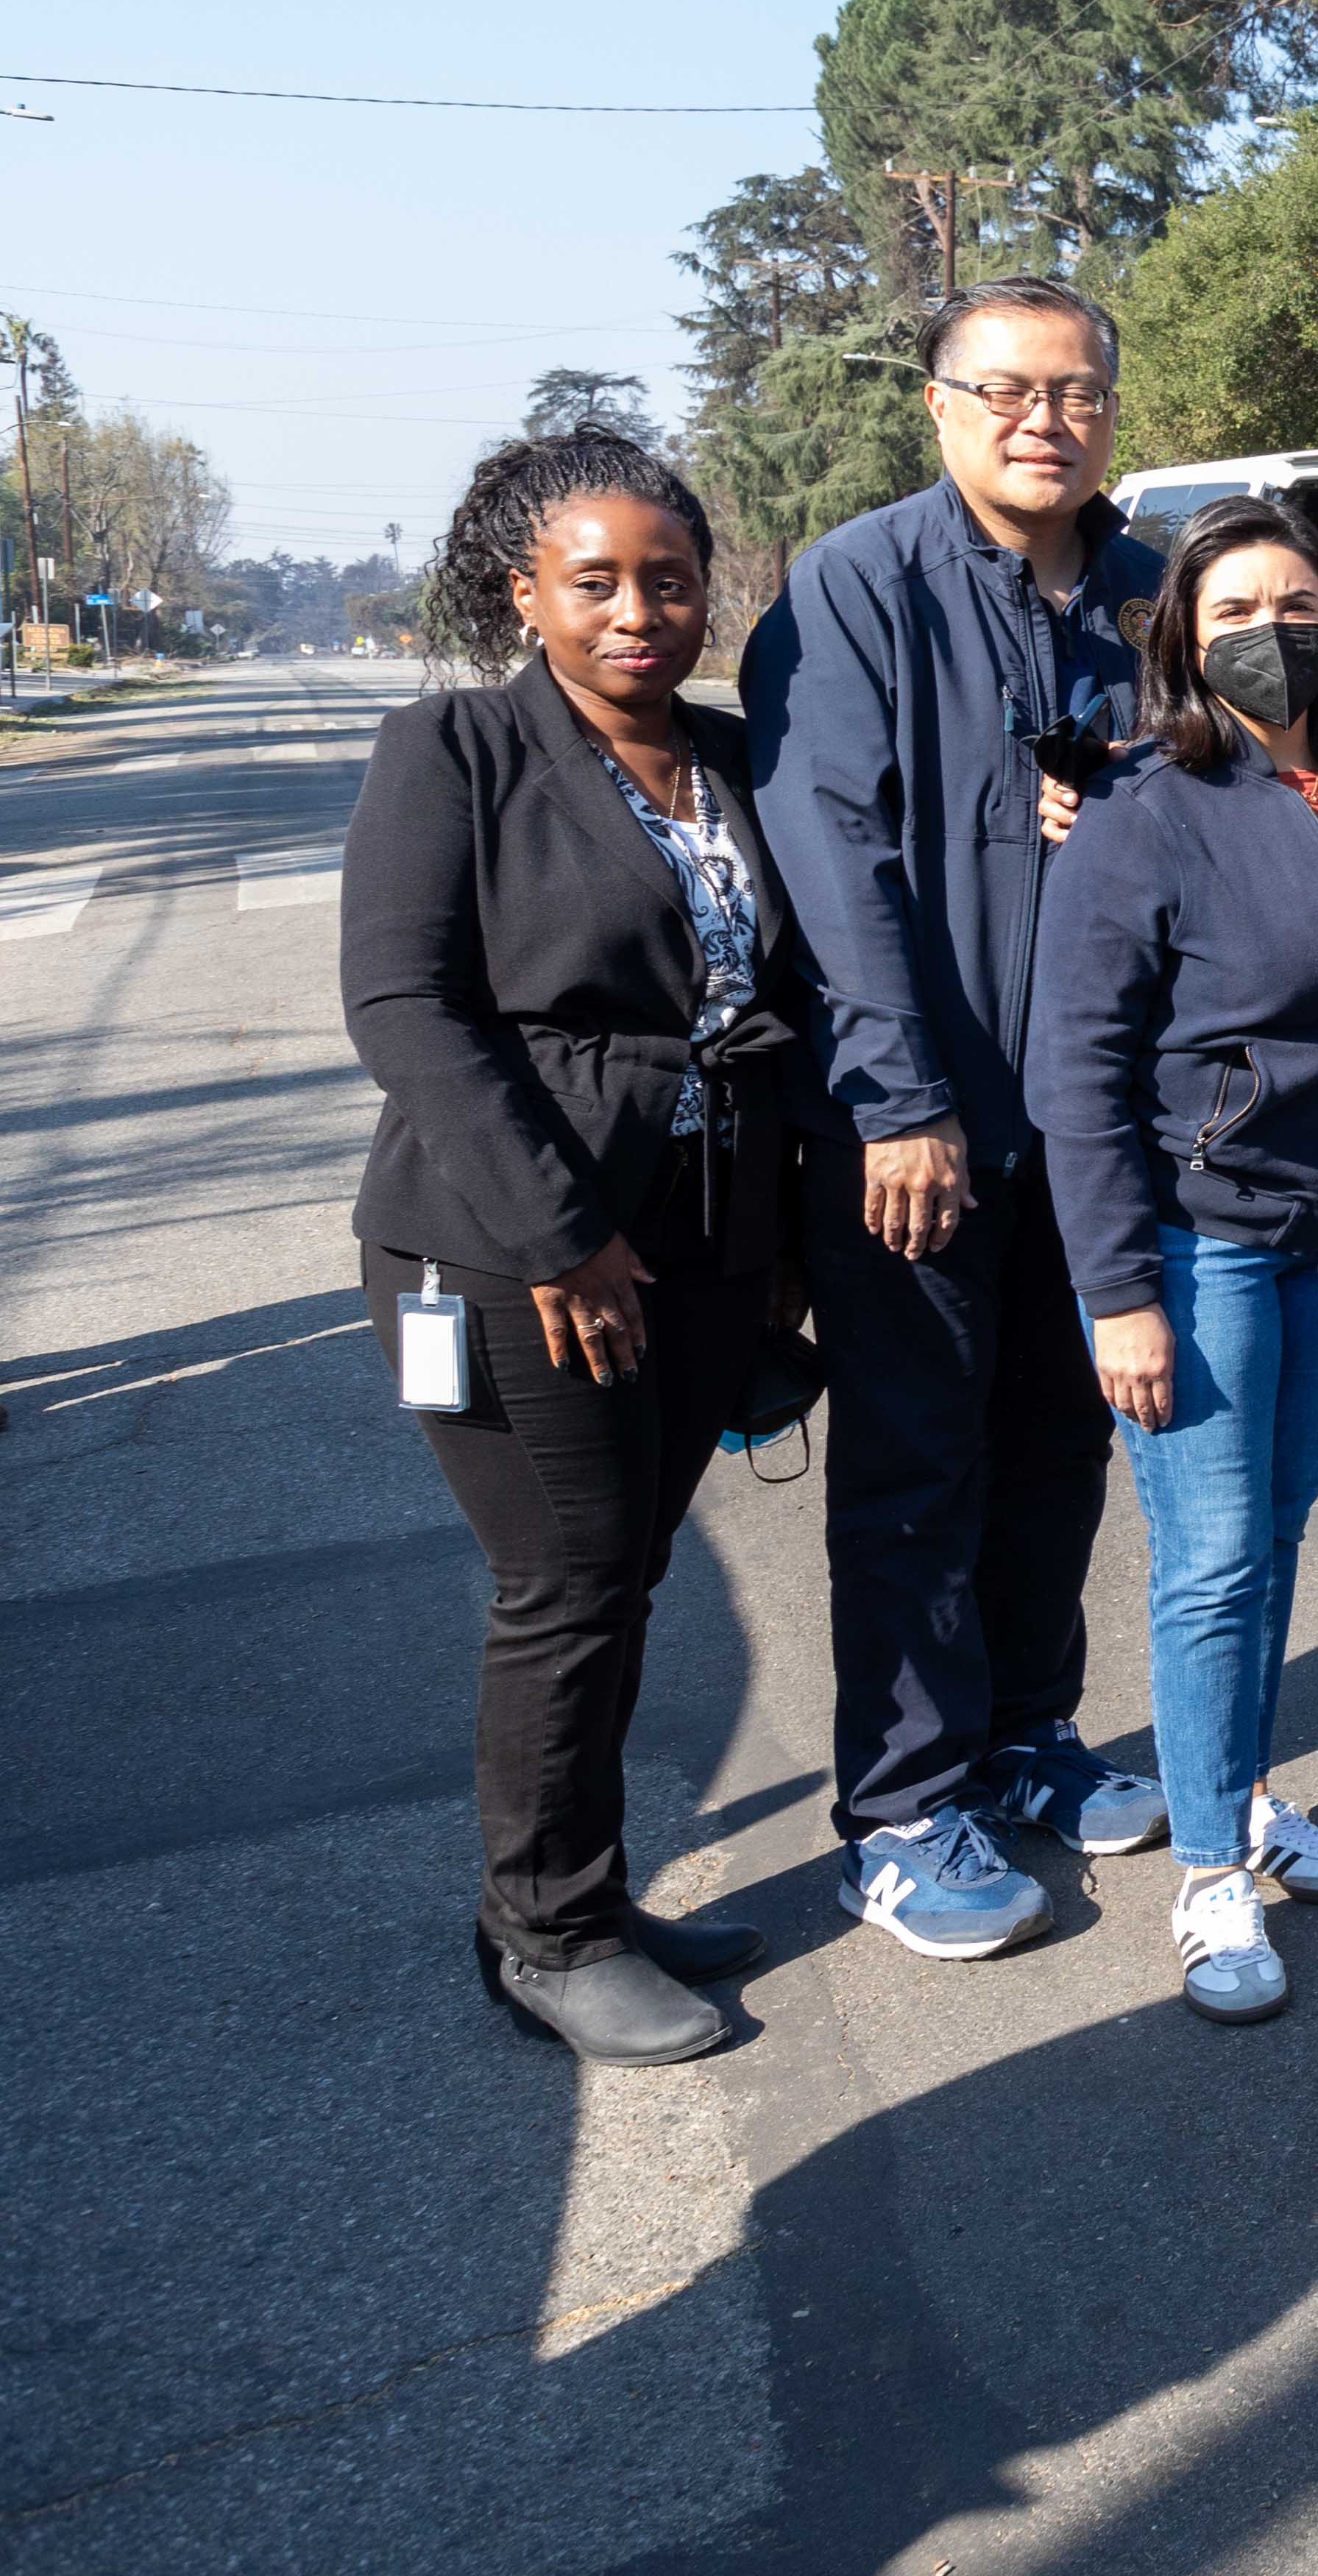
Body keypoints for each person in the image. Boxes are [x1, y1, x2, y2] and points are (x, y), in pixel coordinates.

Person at [344, 434, 802, 2067]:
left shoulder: (737, 755)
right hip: (502, 1246)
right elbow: (406, 1008)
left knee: (627, 1573)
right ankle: (547, 1931)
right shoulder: (454, 749)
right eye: (595, 580)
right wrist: (563, 1232)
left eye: (668, 579)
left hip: (700, 1237)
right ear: (522, 591)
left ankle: (581, 1890)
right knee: (567, 1580)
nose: (637, 611)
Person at [745, 277, 1171, 1959]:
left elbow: (1226, 790)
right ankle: (906, 1806)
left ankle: (1024, 1733)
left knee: (1059, 1450)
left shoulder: (1149, 592)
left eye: (1074, 391)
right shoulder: (860, 585)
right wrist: (898, 1097)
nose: (1040, 419)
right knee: (919, 1462)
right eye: (1004, 390)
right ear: (938, 404)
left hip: (1097, 1122)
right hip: (921, 1126)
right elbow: (834, 854)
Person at [1029, 496, 1318, 2024]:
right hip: (1201, 1250)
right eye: (1229, 615)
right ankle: (1209, 1868)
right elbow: (1074, 1068)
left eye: (1295, 602)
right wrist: (1117, 1291)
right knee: (1210, 1564)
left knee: (1272, 1535)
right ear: (1182, 643)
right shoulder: (1146, 808)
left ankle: (1251, 1793)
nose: (1268, 632)